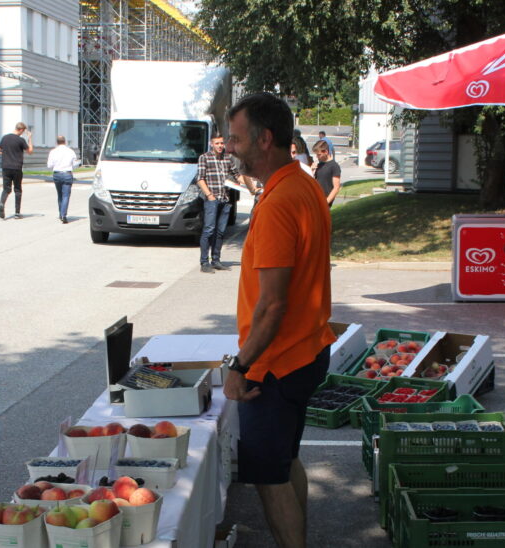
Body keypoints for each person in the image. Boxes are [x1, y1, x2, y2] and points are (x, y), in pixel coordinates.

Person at [223, 93, 336, 548]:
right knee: (286, 462)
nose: (231, 148)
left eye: (236, 139)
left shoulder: (278, 202)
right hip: (305, 351)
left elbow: (272, 306)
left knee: (270, 478)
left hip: (276, 363)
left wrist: (240, 365)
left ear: (265, 139)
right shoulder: (304, 185)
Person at [196, 133, 241, 273]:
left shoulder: (227, 158)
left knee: (220, 232)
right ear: (211, 144)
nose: (220, 146)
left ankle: (216, 260)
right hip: (212, 200)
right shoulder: (204, 158)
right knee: (209, 229)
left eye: (222, 143)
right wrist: (209, 195)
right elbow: (200, 179)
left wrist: (250, 185)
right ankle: (204, 262)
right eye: (217, 143)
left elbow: (237, 175)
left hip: (224, 199)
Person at [0, 122, 33, 219]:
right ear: (21, 130)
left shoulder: (5, 138)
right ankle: (17, 213)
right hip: (16, 167)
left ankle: (2, 203)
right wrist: (29, 138)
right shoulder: (20, 140)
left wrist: (5, 153)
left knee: (6, 189)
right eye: (23, 132)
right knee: (17, 190)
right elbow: (30, 151)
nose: (22, 133)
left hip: (6, 167)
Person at [47, 135, 79, 223]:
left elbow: (49, 165)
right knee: (66, 195)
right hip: (67, 174)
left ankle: (60, 213)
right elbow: (75, 164)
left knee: (60, 194)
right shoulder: (70, 151)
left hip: (57, 174)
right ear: (65, 142)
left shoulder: (53, 152)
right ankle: (63, 214)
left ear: (57, 142)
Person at [312, 140, 341, 206]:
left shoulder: (334, 166)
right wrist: (312, 171)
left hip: (325, 200)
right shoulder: (319, 165)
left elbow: (336, 187)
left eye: (319, 154)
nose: (317, 157)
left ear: (326, 152)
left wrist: (326, 202)